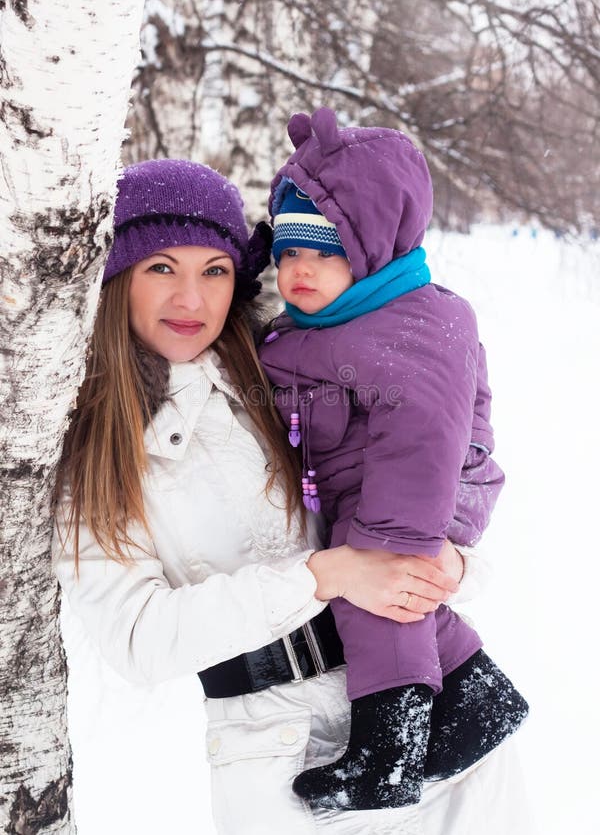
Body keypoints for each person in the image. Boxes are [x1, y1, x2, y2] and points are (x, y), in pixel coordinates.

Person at [53, 158, 532, 835]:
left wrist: (453, 564)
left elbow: (432, 463)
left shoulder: (293, 371)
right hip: (285, 764)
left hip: (441, 721)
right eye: (162, 268)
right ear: (117, 277)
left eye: (214, 271)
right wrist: (321, 577)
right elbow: (139, 641)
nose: (191, 299)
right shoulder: (97, 452)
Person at [259, 108, 528, 812]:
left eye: (322, 253)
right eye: (287, 254)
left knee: (380, 595)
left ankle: (388, 749)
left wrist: (389, 545)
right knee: (381, 585)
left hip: (426, 495)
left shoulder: (418, 322)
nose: (298, 272)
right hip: (375, 491)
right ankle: (473, 696)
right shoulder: (325, 325)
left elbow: (424, 439)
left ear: (374, 247)